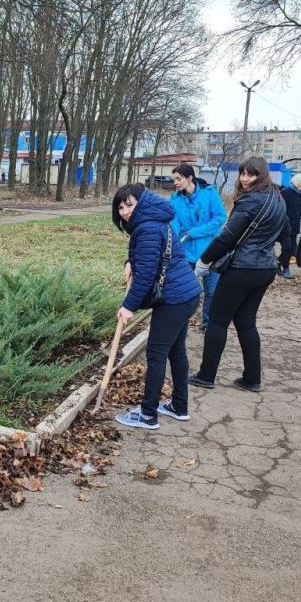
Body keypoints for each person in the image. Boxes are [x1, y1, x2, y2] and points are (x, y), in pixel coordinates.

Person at [189, 157, 289, 393]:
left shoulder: (250, 201)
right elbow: (286, 232)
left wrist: (204, 260)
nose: (244, 179)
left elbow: (227, 238)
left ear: (262, 175)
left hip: (243, 268)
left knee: (217, 320)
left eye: (251, 174)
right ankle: (252, 379)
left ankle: (206, 375)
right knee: (246, 322)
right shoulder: (278, 198)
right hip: (265, 268)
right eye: (242, 173)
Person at [112, 183, 201, 430]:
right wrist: (130, 261)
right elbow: (152, 256)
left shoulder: (147, 227)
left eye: (129, 205)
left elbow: (146, 276)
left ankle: (147, 414)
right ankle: (179, 406)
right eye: (120, 208)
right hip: (188, 294)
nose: (125, 212)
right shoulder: (155, 219)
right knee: (176, 351)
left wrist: (128, 306)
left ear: (141, 202)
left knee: (156, 354)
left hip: (174, 300)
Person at [169, 163, 227, 330]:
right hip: (186, 253)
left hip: (211, 251)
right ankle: (181, 324)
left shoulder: (209, 193)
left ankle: (208, 324)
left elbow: (219, 218)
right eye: (174, 179)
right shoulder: (174, 199)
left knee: (212, 292)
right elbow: (174, 224)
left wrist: (194, 232)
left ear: (190, 178)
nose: (175, 183)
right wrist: (172, 242)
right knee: (184, 291)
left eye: (178, 179)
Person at [276, 172, 301, 279]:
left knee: (293, 250)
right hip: (284, 224)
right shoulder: (285, 193)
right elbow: (280, 208)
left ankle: (279, 263)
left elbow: (298, 207)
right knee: (288, 247)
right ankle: (285, 268)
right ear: (295, 182)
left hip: (295, 223)